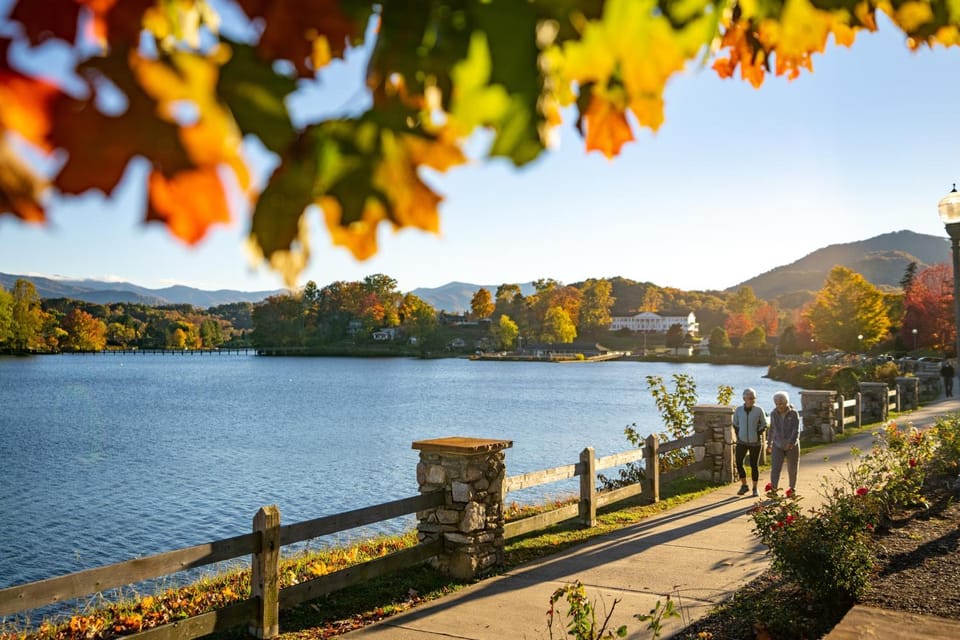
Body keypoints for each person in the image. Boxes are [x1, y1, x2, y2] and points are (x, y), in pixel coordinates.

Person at [732, 388, 768, 497]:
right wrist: (739, 435)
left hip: (755, 443)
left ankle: (755, 488)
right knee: (738, 463)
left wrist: (757, 433)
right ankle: (744, 486)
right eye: (750, 398)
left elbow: (764, 424)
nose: (753, 400)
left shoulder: (759, 410)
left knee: (754, 465)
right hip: (741, 442)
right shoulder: (738, 410)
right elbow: (735, 424)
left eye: (754, 398)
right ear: (744, 398)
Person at [768, 390, 801, 494]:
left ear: (786, 402)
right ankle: (773, 489)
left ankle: (792, 488)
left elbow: (796, 429)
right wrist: (769, 444)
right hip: (778, 444)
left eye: (781, 403)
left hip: (792, 445)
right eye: (777, 404)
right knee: (775, 468)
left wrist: (791, 442)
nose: (779, 406)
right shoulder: (773, 413)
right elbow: (772, 429)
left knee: (792, 468)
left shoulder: (793, 413)